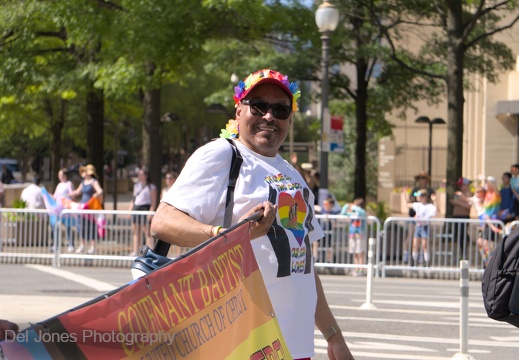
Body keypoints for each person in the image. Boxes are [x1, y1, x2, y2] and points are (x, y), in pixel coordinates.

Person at [151, 69, 352, 359]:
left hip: (294, 345)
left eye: (280, 109)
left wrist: (333, 336)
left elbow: (303, 266)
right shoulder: (222, 154)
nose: (269, 116)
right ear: (239, 110)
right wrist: (229, 236)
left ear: (290, 119)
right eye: (258, 105)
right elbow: (163, 222)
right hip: (240, 341)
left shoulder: (292, 174)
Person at [66, 164, 103, 254]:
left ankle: (93, 246)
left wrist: (96, 195)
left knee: (91, 226)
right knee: (81, 226)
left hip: (90, 207)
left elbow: (100, 191)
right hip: (82, 206)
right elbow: (78, 192)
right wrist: (69, 195)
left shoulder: (93, 181)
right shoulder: (83, 182)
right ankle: (82, 245)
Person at [403, 171, 436, 263]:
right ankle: (407, 255)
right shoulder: (415, 190)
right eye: (420, 178)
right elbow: (410, 201)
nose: (421, 180)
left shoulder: (430, 191)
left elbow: (433, 203)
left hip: (424, 218)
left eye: (423, 178)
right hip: (414, 216)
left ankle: (423, 257)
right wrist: (406, 195)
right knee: (411, 236)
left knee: (424, 240)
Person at [128, 168, 158, 256]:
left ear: (146, 175)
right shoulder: (136, 186)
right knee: (136, 232)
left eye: (141, 174)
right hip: (136, 207)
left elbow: (153, 201)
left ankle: (150, 252)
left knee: (147, 232)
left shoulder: (151, 187)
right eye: (139, 174)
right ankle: (135, 251)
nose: (139, 176)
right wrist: (130, 210)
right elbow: (133, 199)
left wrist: (150, 212)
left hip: (146, 208)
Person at [408, 189, 437, 267]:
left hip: (425, 226)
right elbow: (408, 204)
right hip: (418, 226)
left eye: (419, 196)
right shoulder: (417, 205)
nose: (418, 197)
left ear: (424, 197)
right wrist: (406, 195)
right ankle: (414, 259)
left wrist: (434, 200)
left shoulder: (429, 206)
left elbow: (434, 211)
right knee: (415, 244)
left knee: (424, 245)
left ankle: (426, 260)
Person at [477, 176, 501, 267]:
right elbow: (479, 189)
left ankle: (491, 263)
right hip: (487, 222)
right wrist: (482, 179)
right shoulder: (487, 193)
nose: (486, 185)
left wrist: (492, 226)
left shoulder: (495, 194)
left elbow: (495, 188)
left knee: (489, 244)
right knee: (480, 242)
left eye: (487, 183)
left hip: (493, 221)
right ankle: (487, 261)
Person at [52, 168, 75, 253]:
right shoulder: (59, 185)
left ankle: (71, 244)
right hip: (59, 210)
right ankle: (56, 244)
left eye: (61, 175)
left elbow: (72, 195)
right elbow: (54, 197)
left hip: (66, 209)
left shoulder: (69, 184)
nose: (60, 177)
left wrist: (65, 197)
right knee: (56, 226)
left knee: (68, 227)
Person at [341, 198, 367, 276]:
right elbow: (343, 213)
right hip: (352, 235)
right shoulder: (353, 214)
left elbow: (360, 211)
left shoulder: (362, 213)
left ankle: (361, 269)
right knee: (355, 252)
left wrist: (353, 206)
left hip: (360, 235)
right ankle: (356, 268)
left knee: (360, 252)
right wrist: (346, 205)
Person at [450, 177, 473, 259]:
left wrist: (460, 201)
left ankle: (464, 253)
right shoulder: (458, 193)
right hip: (456, 216)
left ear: (466, 185)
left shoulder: (468, 194)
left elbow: (468, 206)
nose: (460, 187)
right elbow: (452, 201)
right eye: (460, 186)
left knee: (463, 235)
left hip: (464, 217)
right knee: (458, 235)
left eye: (462, 185)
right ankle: (460, 252)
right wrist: (461, 202)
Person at [313, 197, 340, 264]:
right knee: (316, 243)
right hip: (320, 231)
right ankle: (315, 257)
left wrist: (330, 218)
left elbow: (335, 224)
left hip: (328, 233)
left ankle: (329, 260)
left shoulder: (334, 213)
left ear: (331, 205)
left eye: (326, 204)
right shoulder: (322, 210)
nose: (324, 205)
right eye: (324, 204)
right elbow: (315, 206)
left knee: (328, 246)